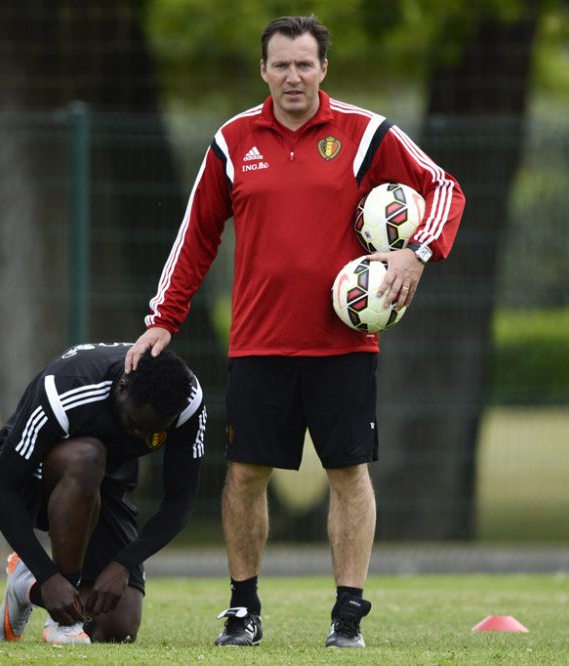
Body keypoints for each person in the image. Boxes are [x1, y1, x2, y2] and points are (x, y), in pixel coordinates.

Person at [125, 15, 465, 649]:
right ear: (264, 71)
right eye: (280, 65)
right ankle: (244, 610)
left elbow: (443, 187)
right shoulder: (232, 141)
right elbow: (194, 238)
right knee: (245, 475)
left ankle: (347, 616)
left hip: (344, 343)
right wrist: (163, 321)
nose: (292, 76)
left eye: (304, 64)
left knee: (349, 474)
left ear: (324, 69)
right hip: (258, 343)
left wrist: (415, 250)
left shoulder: (365, 135)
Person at [0, 342, 206, 644]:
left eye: (151, 432)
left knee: (116, 628)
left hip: (102, 482)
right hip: (30, 474)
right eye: (133, 424)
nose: (138, 436)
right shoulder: (65, 390)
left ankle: (25, 585)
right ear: (122, 388)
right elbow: (1, 490)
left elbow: (180, 503)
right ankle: (60, 622)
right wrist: (50, 576)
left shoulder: (188, 402)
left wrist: (123, 564)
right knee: (86, 455)